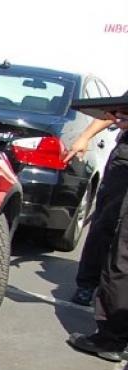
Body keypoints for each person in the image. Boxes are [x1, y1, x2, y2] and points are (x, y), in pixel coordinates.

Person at [64, 101, 128, 306]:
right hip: (125, 162)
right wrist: (84, 137)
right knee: (106, 223)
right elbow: (112, 111)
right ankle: (88, 285)